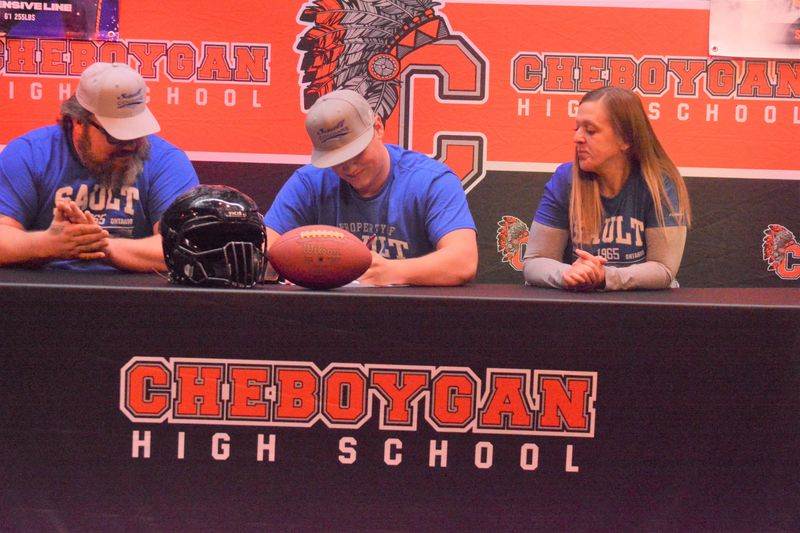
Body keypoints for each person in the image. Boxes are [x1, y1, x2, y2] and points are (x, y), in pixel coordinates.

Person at [264, 89, 478, 286]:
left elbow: (463, 261)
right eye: (335, 159)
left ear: (377, 128)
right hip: (328, 316)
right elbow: (261, 251)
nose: (349, 167)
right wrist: (298, 269)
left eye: (356, 153)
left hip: (413, 317)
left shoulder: (431, 181)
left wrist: (391, 271)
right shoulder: (309, 182)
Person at [0, 61, 199, 272]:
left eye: (137, 131)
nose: (131, 144)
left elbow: (185, 247)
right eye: (116, 135)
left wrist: (101, 245)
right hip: (40, 297)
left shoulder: (167, 161)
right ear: (78, 121)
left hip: (136, 299)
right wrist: (48, 245)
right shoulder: (29, 154)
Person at [523, 86, 691, 291]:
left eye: (590, 130)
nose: (577, 138)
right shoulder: (565, 179)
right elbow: (535, 261)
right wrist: (568, 274)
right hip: (580, 309)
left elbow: (664, 269)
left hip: (646, 310)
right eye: (577, 129)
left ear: (626, 139)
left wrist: (605, 276)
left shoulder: (659, 183)